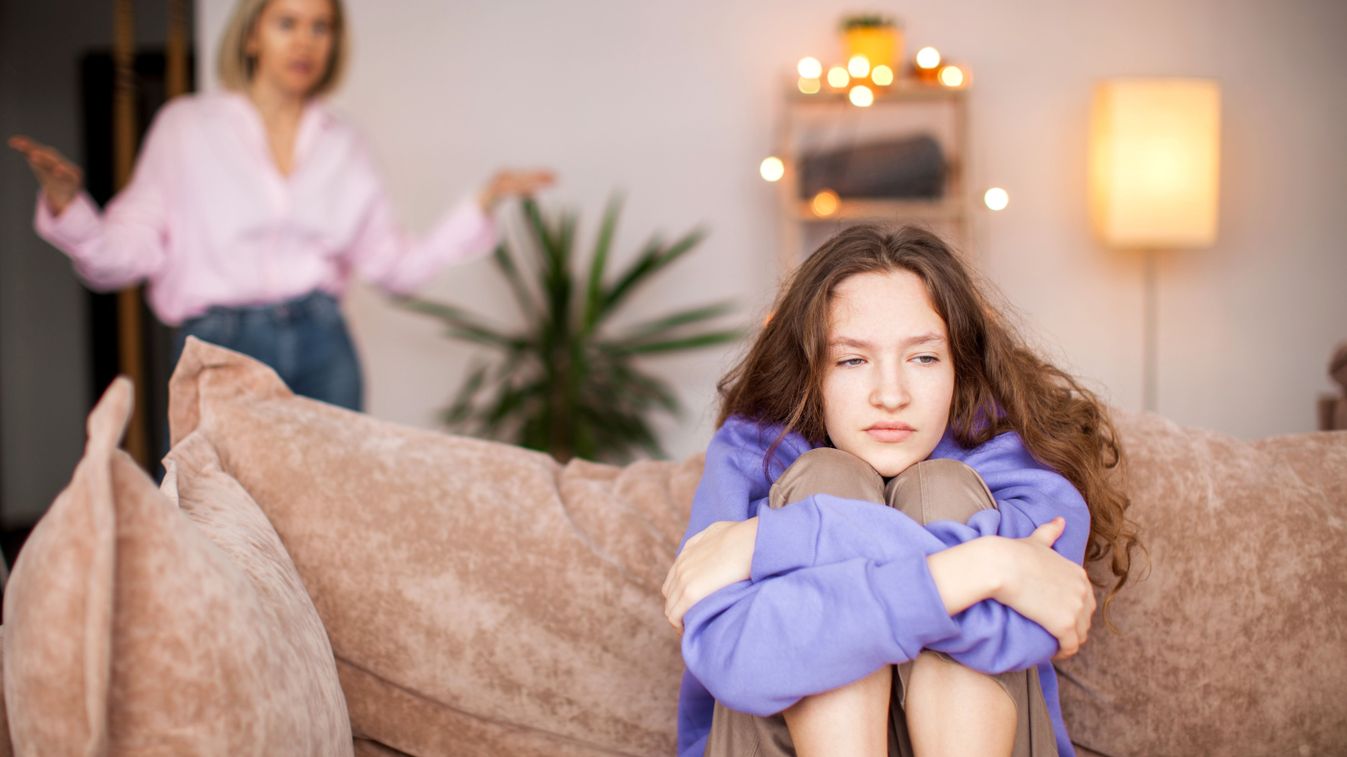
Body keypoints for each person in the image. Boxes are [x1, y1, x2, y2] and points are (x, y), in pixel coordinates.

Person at [662, 225, 1138, 756]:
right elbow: (738, 658)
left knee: (944, 488)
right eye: (852, 359)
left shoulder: (1016, 455)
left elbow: (1028, 627)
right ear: (810, 370)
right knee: (828, 478)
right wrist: (987, 566)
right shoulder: (754, 452)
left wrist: (771, 543)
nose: (891, 394)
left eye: (924, 358)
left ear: (961, 363)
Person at [9, 0, 553, 412]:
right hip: (219, 346)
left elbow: (398, 269)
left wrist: (483, 201)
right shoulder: (186, 128)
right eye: (286, 23)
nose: (305, 42)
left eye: (321, 27)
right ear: (251, 36)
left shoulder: (345, 143)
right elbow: (121, 257)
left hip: (324, 344)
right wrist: (70, 207)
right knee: (212, 522)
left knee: (329, 523)